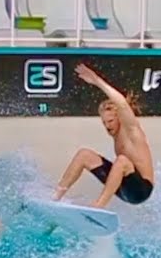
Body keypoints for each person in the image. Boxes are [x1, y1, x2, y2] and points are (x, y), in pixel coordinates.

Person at [53, 63, 155, 208]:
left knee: (122, 160)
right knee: (84, 154)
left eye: (111, 121)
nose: (107, 126)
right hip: (123, 188)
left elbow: (122, 105)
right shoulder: (115, 134)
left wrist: (96, 80)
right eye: (104, 122)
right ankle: (55, 197)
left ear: (120, 117)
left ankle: (98, 206)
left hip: (141, 190)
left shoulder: (132, 130)